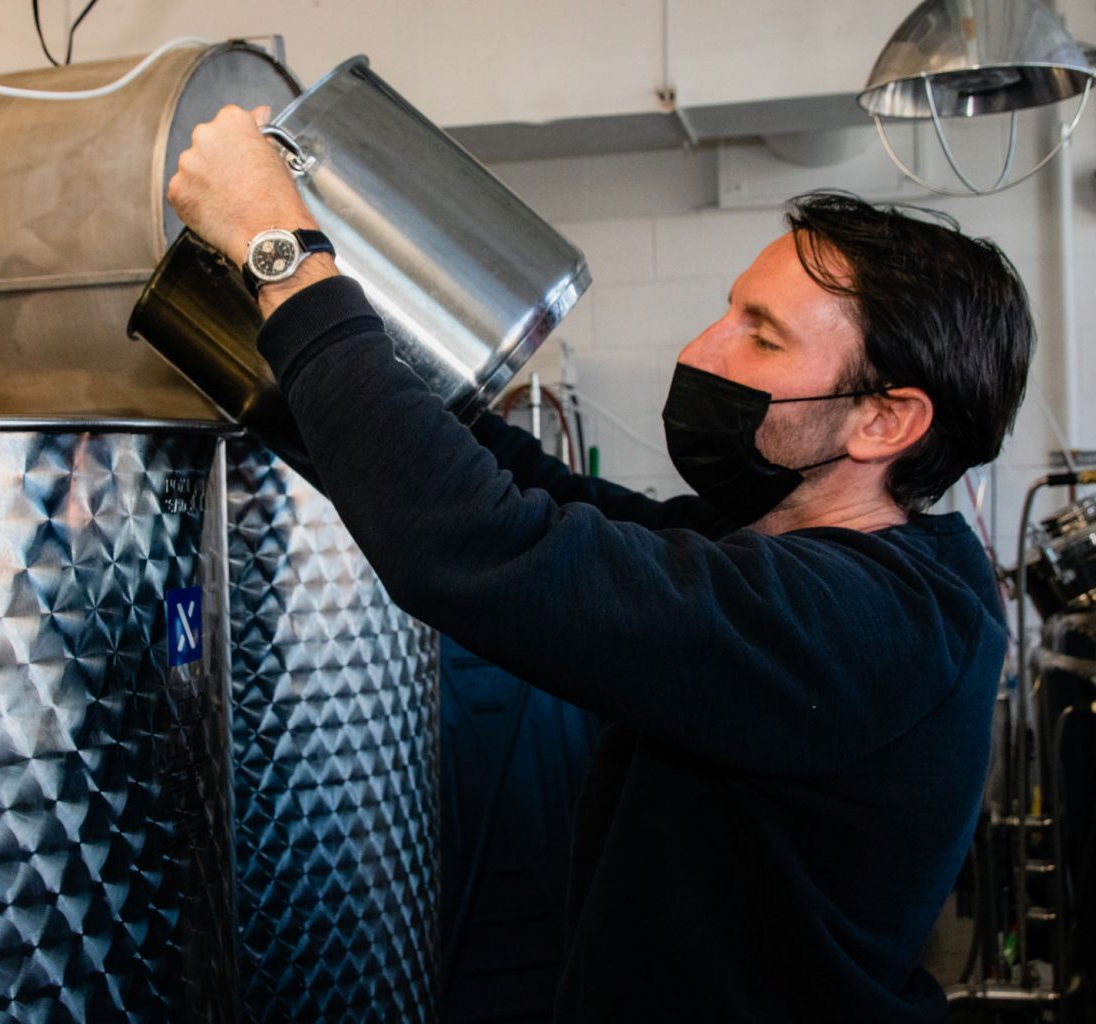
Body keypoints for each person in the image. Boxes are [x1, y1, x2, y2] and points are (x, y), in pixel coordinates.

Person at [168, 104, 1034, 1022]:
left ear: (885, 420)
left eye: (761, 335)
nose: (700, 352)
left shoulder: (863, 624)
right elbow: (528, 490)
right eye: (728, 312)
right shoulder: (787, 552)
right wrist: (266, 337)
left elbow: (469, 541)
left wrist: (280, 248)